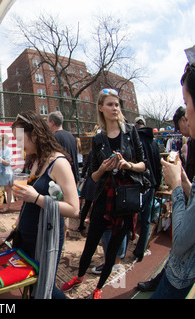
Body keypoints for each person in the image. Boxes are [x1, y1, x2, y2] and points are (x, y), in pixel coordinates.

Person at [61, 89, 146, 299]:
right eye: (110, 104)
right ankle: (79, 276)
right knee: (90, 243)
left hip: (125, 199)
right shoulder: (98, 139)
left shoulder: (130, 132)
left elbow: (144, 165)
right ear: (100, 107)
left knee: (113, 249)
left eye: (117, 105)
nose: (115, 108)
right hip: (103, 198)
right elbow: (93, 176)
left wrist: (128, 165)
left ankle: (99, 288)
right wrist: (104, 168)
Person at [0, 111, 79, 299]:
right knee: (32, 286)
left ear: (35, 134)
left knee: (44, 286)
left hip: (45, 238)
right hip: (26, 235)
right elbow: (27, 205)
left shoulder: (59, 163)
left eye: (19, 139)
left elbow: (74, 209)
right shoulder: (33, 160)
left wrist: (37, 198)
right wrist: (14, 230)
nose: (17, 145)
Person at [150, 61, 195, 299]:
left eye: (187, 103)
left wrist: (177, 186)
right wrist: (186, 184)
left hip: (183, 273)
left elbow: (180, 241)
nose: (185, 113)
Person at [133, 116, 162, 262]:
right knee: (146, 219)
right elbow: (158, 165)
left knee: (130, 214)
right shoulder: (153, 142)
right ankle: (140, 250)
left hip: (137, 184)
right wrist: (157, 184)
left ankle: (124, 246)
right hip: (150, 184)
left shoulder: (135, 140)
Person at [47, 111, 80, 182]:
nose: (47, 125)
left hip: (64, 179)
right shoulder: (71, 136)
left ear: (52, 123)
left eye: (48, 122)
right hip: (74, 176)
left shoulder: (54, 138)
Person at [173, 106, 195, 182]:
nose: (180, 132)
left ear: (183, 120)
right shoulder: (191, 140)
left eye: (178, 128)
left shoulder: (192, 140)